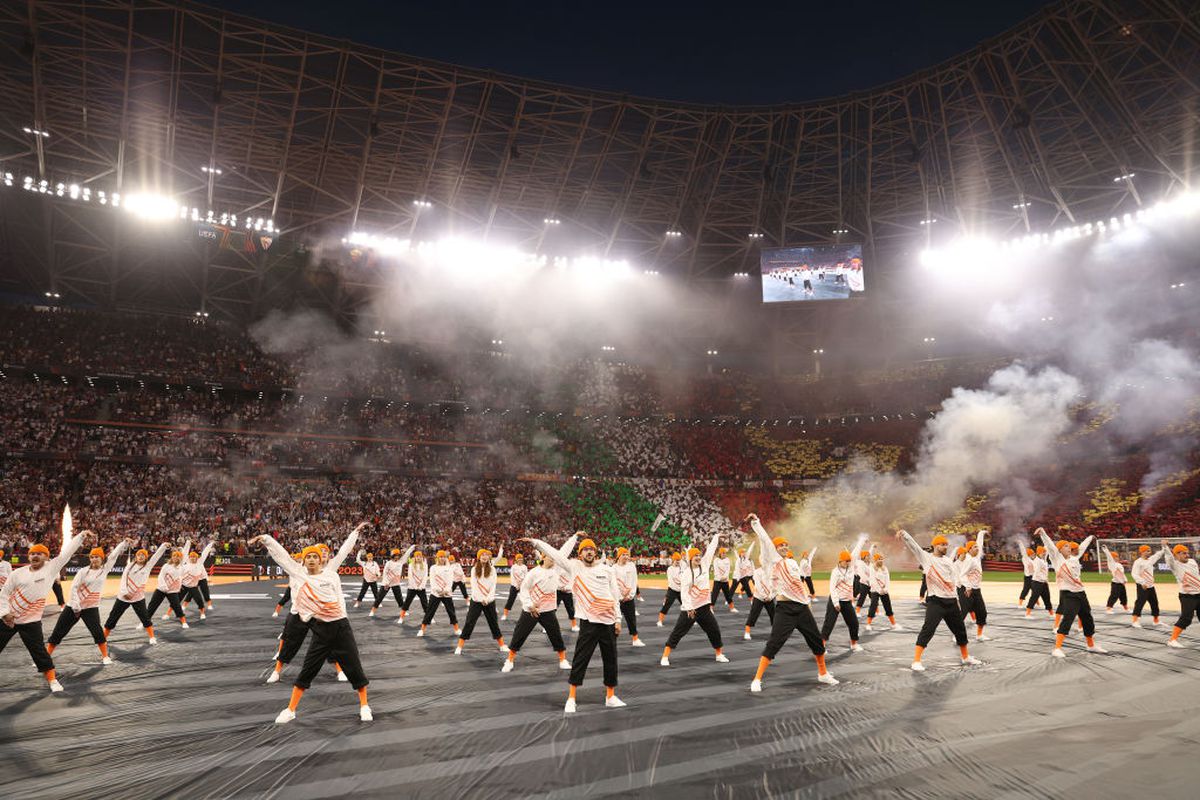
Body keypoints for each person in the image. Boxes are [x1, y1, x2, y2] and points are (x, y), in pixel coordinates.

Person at [252, 523, 373, 724]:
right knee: (308, 669)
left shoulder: (331, 573)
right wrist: (266, 539)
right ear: (304, 560)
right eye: (308, 556)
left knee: (355, 667)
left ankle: (365, 706)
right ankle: (291, 710)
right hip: (320, 628)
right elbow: (282, 557)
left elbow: (343, 552)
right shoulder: (299, 573)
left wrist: (355, 532)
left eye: (315, 556)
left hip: (341, 626)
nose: (311, 559)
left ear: (320, 560)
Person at [526, 533, 625, 713]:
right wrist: (536, 543)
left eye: (591, 549)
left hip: (609, 622)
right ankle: (571, 698)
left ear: (595, 552)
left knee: (611, 660)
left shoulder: (607, 570)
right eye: (585, 549)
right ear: (580, 553)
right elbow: (556, 554)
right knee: (580, 660)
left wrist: (618, 619)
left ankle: (610, 696)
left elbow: (615, 596)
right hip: (589, 622)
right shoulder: (574, 567)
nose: (588, 552)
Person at [745, 514, 836, 690]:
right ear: (775, 549)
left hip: (801, 608)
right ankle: (757, 679)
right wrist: (756, 523)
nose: (784, 547)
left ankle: (823, 674)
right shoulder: (772, 562)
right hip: (785, 609)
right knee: (774, 643)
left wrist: (806, 601)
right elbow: (765, 541)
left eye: (786, 545)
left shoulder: (793, 564)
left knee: (816, 641)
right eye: (781, 545)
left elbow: (798, 584)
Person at [0, 516, 88, 692]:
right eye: (32, 553)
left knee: (40, 653)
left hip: (30, 621)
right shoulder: (18, 573)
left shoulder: (51, 568)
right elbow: (4, 593)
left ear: (47, 557)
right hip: (8, 618)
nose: (34, 555)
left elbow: (66, 553)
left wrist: (81, 536)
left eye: (39, 553)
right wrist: (4, 613)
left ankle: (53, 680)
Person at [895, 530, 980, 671]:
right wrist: (905, 535)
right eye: (942, 545)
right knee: (928, 629)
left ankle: (966, 657)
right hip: (936, 602)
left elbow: (953, 582)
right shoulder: (926, 558)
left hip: (951, 602)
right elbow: (914, 546)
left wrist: (957, 600)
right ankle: (916, 661)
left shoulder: (948, 561)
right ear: (935, 546)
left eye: (946, 545)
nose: (946, 547)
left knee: (960, 631)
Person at [47, 539, 128, 665]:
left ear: (102, 559)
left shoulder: (104, 570)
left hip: (91, 608)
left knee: (97, 632)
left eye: (97, 557)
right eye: (92, 557)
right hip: (74, 606)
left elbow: (113, 557)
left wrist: (124, 543)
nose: (94, 559)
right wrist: (75, 606)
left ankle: (105, 657)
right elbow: (74, 587)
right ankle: (45, 658)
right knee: (58, 632)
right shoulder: (83, 571)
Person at [1037, 529, 1106, 659]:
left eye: (1069, 546)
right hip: (1068, 594)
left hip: (1081, 593)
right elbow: (1051, 546)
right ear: (1059, 550)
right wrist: (1043, 533)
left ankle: (1091, 645)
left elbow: (1082, 547)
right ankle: (1057, 648)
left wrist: (1090, 537)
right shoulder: (1057, 559)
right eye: (1066, 546)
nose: (1069, 547)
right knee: (1068, 619)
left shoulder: (1074, 559)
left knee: (1087, 619)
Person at [661, 534, 728, 666]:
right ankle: (665, 656)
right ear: (690, 559)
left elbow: (710, 550)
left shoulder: (705, 564)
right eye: (695, 556)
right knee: (678, 632)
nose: (698, 557)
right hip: (690, 610)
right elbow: (684, 592)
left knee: (714, 630)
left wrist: (716, 537)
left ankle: (719, 654)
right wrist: (690, 607)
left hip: (704, 607)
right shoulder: (686, 573)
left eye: (698, 555)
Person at [502, 553, 570, 673]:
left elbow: (564, 551)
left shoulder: (556, 571)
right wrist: (530, 605)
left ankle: (563, 660)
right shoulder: (534, 572)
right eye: (551, 556)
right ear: (543, 558)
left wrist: (574, 537)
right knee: (519, 634)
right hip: (532, 609)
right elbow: (524, 589)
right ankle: (509, 660)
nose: (554, 559)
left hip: (548, 610)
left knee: (556, 635)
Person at [104, 541, 170, 644]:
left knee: (145, 618)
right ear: (136, 556)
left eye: (143, 555)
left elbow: (156, 556)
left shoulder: (148, 566)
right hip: (123, 597)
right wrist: (124, 592)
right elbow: (123, 579)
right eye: (139, 554)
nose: (141, 556)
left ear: (146, 557)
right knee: (112, 618)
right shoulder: (129, 566)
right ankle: (104, 638)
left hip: (138, 598)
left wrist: (164, 546)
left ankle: (152, 637)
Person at [456, 548, 507, 655]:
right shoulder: (474, 569)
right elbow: (474, 587)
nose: (484, 556)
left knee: (493, 623)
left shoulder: (492, 569)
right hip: (476, 600)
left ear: (489, 557)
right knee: (469, 622)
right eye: (482, 555)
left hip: (489, 600)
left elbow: (493, 586)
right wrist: (481, 599)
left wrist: (487, 599)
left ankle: (502, 645)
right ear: (478, 557)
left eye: (486, 555)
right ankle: (460, 646)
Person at [820, 538, 867, 652]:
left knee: (854, 623)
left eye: (849, 561)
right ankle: (821, 646)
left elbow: (855, 553)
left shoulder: (850, 568)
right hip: (835, 601)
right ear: (840, 561)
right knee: (829, 624)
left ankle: (854, 644)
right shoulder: (835, 572)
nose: (848, 563)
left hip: (846, 601)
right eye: (846, 561)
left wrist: (861, 540)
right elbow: (832, 587)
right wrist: (835, 602)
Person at [1163, 541, 1200, 648]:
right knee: (1186, 618)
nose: (1187, 555)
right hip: (1187, 596)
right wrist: (1165, 547)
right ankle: (1172, 640)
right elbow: (1169, 558)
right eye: (1184, 553)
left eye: (1187, 553)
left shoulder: (1192, 562)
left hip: (1199, 594)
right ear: (1177, 554)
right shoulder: (1175, 565)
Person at [148, 540, 192, 628]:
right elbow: (160, 576)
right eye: (174, 556)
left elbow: (185, 553)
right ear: (171, 557)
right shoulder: (166, 566)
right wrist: (164, 586)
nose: (176, 557)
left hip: (173, 591)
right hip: (161, 589)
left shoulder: (182, 567)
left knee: (177, 607)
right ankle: (145, 622)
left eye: (178, 556)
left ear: (181, 558)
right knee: (152, 606)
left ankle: (183, 622)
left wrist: (187, 543)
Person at [958, 530, 991, 641]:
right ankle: (956, 634)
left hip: (976, 590)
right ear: (969, 549)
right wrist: (968, 587)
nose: (978, 548)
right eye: (975, 547)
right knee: (963, 613)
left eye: (977, 547)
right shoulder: (968, 560)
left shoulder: (976, 558)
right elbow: (962, 575)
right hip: (967, 590)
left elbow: (980, 544)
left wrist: (981, 533)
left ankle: (979, 635)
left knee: (982, 613)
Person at [418, 551, 460, 637]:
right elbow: (432, 580)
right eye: (440, 557)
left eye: (443, 557)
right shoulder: (433, 568)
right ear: (437, 558)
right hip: (435, 594)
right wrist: (438, 590)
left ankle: (456, 629)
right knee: (429, 612)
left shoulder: (449, 568)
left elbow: (450, 581)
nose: (442, 558)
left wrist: (446, 590)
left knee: (451, 612)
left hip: (446, 594)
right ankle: (422, 629)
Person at [613, 547, 645, 647]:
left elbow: (634, 581)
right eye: (623, 554)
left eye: (627, 554)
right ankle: (612, 640)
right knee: (613, 620)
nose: (626, 556)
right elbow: (613, 584)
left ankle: (635, 639)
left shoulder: (631, 566)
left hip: (628, 599)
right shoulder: (613, 568)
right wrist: (619, 596)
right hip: (617, 599)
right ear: (619, 556)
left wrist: (630, 595)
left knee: (631, 619)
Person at [864, 550, 901, 632]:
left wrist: (885, 589)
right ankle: (868, 624)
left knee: (888, 606)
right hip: (875, 591)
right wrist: (878, 590)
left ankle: (893, 624)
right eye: (879, 559)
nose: (880, 560)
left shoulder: (885, 568)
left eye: (882, 559)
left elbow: (887, 580)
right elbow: (872, 581)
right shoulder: (872, 568)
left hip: (884, 591)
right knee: (873, 606)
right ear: (875, 560)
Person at [373, 546, 414, 618]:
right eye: (396, 555)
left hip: (396, 583)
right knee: (379, 597)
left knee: (399, 598)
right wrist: (385, 583)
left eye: (398, 555)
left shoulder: (401, 562)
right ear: (392, 556)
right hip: (387, 583)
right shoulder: (388, 563)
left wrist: (412, 547)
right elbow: (385, 573)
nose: (397, 557)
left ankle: (403, 611)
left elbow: (407, 554)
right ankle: (373, 610)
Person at [1130, 543, 1166, 628]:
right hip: (1142, 586)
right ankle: (1135, 621)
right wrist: (1142, 582)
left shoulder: (1150, 560)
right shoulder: (1138, 562)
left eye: (1150, 550)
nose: (1150, 552)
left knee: (1154, 603)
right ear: (1142, 552)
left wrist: (1164, 546)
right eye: (1147, 551)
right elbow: (1134, 574)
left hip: (1151, 586)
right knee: (1140, 603)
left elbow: (1158, 554)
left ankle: (1156, 621)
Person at [179, 542, 215, 619]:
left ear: (197, 557)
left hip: (202, 578)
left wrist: (210, 544)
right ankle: (184, 605)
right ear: (189, 557)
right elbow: (184, 553)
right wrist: (187, 543)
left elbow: (205, 553)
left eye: (194, 556)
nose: (193, 558)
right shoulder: (187, 561)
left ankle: (209, 604)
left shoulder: (200, 560)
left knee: (205, 591)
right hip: (193, 580)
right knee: (190, 594)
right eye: (191, 556)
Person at [743, 552, 774, 641]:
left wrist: (771, 596)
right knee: (753, 614)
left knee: (774, 616)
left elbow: (775, 585)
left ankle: (776, 633)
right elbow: (758, 586)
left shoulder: (772, 572)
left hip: (770, 597)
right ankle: (747, 632)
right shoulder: (757, 572)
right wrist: (765, 596)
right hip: (759, 597)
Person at [399, 550, 429, 624]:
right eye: (417, 556)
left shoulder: (425, 565)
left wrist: (421, 585)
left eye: (420, 556)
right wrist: (415, 585)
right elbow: (410, 576)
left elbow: (425, 576)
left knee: (425, 603)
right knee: (407, 603)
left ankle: (429, 617)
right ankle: (401, 617)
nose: (418, 558)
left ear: (422, 557)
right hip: (412, 587)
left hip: (421, 587)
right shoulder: (411, 564)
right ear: (414, 557)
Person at [1024, 545, 1053, 617]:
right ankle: (1027, 613)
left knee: (1047, 598)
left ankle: (1051, 613)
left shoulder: (1043, 559)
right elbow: (1037, 572)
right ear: (1040, 552)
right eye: (1043, 552)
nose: (1045, 553)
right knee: (1034, 597)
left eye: (1045, 552)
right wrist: (1044, 578)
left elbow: (1047, 549)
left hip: (1044, 583)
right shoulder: (1037, 561)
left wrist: (1047, 544)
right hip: (1037, 582)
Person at [657, 552, 682, 627]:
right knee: (666, 605)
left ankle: (692, 619)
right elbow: (672, 581)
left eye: (679, 560)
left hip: (681, 590)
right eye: (676, 560)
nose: (678, 561)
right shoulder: (670, 569)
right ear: (673, 560)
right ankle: (660, 621)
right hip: (672, 590)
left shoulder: (682, 568)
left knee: (687, 605)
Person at [555, 554, 578, 633]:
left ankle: (574, 625)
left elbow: (573, 580)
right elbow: (555, 578)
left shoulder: (571, 569)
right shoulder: (558, 567)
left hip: (567, 592)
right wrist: (560, 586)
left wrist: (567, 587)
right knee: (553, 608)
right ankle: (548, 626)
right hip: (558, 590)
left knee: (570, 608)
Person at [710, 547, 737, 613]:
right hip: (717, 581)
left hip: (725, 581)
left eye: (725, 553)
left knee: (728, 595)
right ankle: (711, 608)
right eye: (723, 553)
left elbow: (728, 569)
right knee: (714, 595)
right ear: (720, 554)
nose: (724, 554)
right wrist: (720, 578)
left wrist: (724, 577)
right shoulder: (716, 560)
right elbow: (716, 570)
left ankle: (732, 607)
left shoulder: (727, 560)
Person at [502, 553, 528, 621]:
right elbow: (512, 577)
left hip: (522, 586)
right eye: (519, 559)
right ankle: (505, 614)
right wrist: (516, 585)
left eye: (521, 558)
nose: (520, 560)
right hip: (514, 586)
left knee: (525, 600)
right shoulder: (514, 567)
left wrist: (522, 585)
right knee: (510, 600)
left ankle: (526, 615)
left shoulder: (524, 567)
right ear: (516, 559)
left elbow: (526, 576)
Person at [1104, 548, 1130, 614]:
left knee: (1123, 596)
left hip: (1121, 583)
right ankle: (1108, 608)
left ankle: (1126, 608)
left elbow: (1122, 574)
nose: (1117, 558)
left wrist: (1124, 580)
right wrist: (1106, 550)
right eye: (1115, 557)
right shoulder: (1111, 564)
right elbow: (1109, 557)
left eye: (1117, 557)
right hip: (1115, 583)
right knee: (1114, 596)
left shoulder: (1119, 564)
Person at [852, 549, 871, 613]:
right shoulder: (859, 563)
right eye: (867, 556)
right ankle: (856, 609)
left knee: (874, 598)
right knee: (858, 593)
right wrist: (867, 581)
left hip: (869, 583)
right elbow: (862, 574)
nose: (869, 557)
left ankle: (877, 611)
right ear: (863, 557)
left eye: (869, 556)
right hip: (861, 581)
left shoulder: (869, 564)